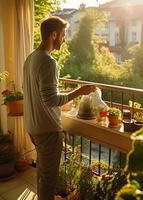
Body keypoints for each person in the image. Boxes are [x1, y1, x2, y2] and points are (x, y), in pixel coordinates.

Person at [23, 16, 96, 200]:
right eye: (63, 35)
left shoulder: (31, 58)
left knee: (42, 173)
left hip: (33, 127)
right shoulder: (48, 62)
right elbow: (50, 100)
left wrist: (67, 92)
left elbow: (39, 91)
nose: (64, 39)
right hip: (47, 130)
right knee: (49, 178)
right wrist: (79, 92)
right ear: (53, 34)